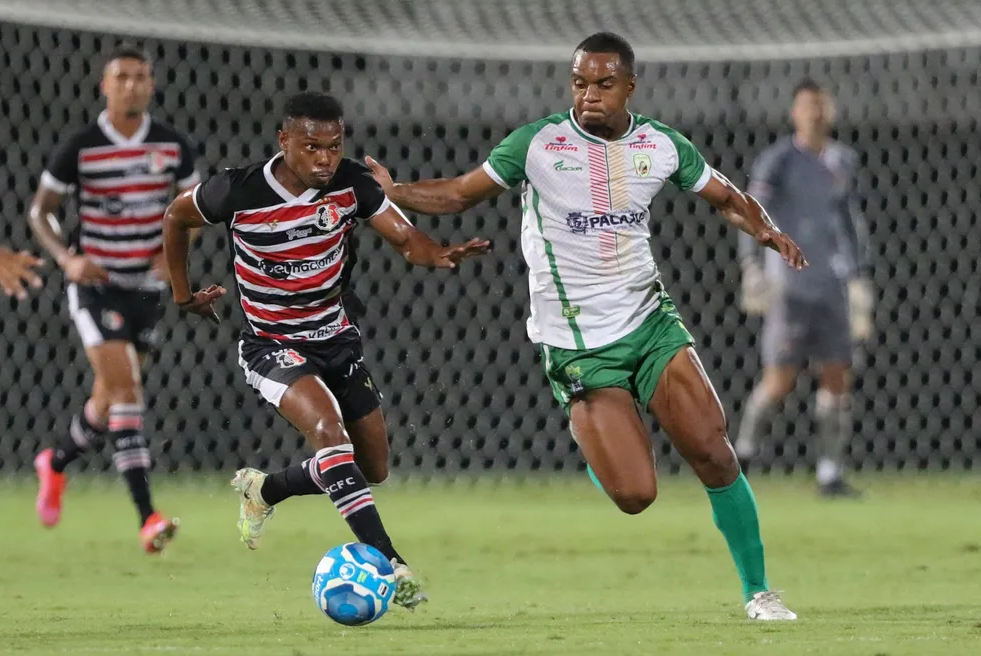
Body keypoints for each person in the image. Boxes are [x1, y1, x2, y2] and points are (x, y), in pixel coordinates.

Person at [366, 32, 805, 620]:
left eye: (603, 84)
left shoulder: (661, 144)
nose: (589, 94)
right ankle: (597, 444)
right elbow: (459, 193)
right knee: (635, 496)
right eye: (580, 83)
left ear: (629, 86)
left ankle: (760, 592)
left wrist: (766, 229)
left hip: (650, 324)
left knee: (715, 453)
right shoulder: (539, 144)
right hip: (577, 346)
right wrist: (396, 191)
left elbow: (725, 196)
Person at [163, 91, 489, 609]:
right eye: (312, 147)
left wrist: (438, 254)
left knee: (370, 467)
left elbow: (406, 239)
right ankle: (391, 562)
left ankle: (265, 490)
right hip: (271, 345)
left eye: (334, 147)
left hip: (336, 340)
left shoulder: (352, 183)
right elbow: (176, 218)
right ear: (284, 141)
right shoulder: (237, 190)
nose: (324, 159)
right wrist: (182, 296)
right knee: (327, 435)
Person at [29, 44, 197, 552]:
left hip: (145, 289)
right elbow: (42, 213)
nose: (131, 84)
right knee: (126, 391)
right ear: (104, 85)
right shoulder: (81, 146)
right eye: (121, 76)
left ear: (152, 85)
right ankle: (148, 517)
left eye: (140, 76)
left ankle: (55, 462)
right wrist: (66, 258)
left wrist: (173, 256)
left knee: (108, 402)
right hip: (95, 284)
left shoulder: (172, 146)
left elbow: (194, 211)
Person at [734, 78, 872, 498]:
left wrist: (860, 275)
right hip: (789, 285)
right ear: (795, 112)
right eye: (809, 105)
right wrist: (752, 265)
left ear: (832, 112)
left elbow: (849, 221)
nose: (816, 113)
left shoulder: (842, 161)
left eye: (822, 105)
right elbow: (750, 212)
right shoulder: (777, 161)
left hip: (832, 286)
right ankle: (742, 456)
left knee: (837, 376)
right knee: (779, 380)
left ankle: (829, 473)